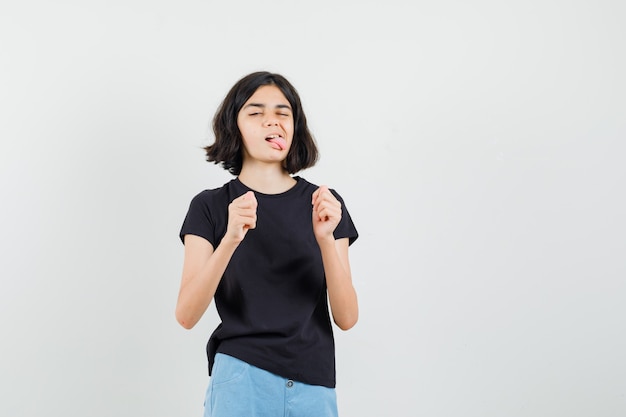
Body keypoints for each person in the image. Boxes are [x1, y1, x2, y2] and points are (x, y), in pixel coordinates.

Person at [176, 71, 359, 417]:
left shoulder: (324, 205)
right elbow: (186, 315)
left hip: (313, 383)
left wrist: (325, 240)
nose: (271, 122)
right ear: (235, 126)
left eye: (282, 113)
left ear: (295, 126)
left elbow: (347, 317)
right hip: (240, 379)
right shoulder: (210, 206)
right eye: (256, 112)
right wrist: (230, 239)